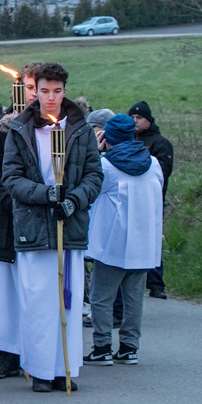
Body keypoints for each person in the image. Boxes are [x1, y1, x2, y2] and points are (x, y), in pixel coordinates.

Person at [2, 62, 102, 393]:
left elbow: (93, 175)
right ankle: (40, 368)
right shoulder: (20, 129)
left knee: (67, 302)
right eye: (44, 91)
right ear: (36, 90)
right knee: (38, 302)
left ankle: (65, 368)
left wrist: (73, 200)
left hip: (68, 226)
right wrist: (44, 194)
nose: (50, 98)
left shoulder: (81, 129)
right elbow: (11, 178)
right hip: (34, 227)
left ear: (64, 91)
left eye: (57, 91)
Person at [84, 114, 164, 367]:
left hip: (113, 242)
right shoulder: (153, 163)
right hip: (143, 243)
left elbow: (91, 189)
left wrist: (96, 153)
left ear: (108, 138)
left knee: (101, 296)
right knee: (134, 298)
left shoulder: (106, 166)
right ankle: (130, 346)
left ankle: (102, 345)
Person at [0, 61, 39, 379]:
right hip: (9, 217)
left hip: (41, 217)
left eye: (36, 87)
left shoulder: (54, 124)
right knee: (7, 290)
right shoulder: (2, 126)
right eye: (27, 87)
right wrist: (9, 198)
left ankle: (39, 353)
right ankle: (9, 353)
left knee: (37, 289)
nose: (31, 93)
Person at [128, 100, 174, 299]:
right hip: (130, 199)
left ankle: (156, 283)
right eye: (132, 118)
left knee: (151, 239)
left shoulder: (160, 143)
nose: (135, 121)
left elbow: (162, 174)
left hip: (151, 200)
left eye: (139, 118)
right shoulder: (128, 141)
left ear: (148, 120)